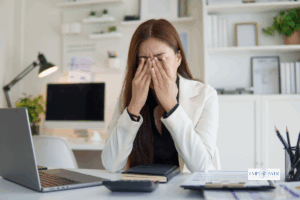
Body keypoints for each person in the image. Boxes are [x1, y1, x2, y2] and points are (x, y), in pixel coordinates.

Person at [101, 19, 219, 173]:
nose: (152, 68)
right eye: (143, 61)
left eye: (161, 59)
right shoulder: (128, 97)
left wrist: (172, 106)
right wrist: (134, 107)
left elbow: (201, 166)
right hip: (141, 191)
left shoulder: (205, 95)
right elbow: (111, 165)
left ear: (178, 58)